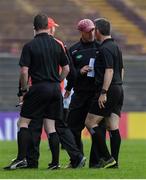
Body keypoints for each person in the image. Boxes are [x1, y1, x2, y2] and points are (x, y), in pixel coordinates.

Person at [10, 16, 86, 170]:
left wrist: (23, 90)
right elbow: (67, 69)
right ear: (48, 27)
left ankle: (22, 159)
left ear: (34, 28)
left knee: (24, 123)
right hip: (55, 89)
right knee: (51, 126)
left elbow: (24, 71)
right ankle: (55, 163)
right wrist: (58, 81)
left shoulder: (30, 46)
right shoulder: (57, 45)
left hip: (38, 88)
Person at [65, 19, 106, 167]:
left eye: (93, 30)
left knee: (97, 128)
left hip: (95, 94)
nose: (91, 33)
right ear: (81, 32)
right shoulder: (74, 50)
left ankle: (96, 162)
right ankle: (77, 159)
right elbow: (69, 73)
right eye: (88, 31)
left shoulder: (101, 47)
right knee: (72, 128)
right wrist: (79, 72)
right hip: (80, 94)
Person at [85, 18, 124, 168]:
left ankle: (108, 158)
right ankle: (114, 162)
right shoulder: (116, 47)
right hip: (118, 87)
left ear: (99, 31)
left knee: (90, 122)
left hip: (109, 89)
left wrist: (104, 92)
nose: (93, 32)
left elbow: (109, 70)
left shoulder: (105, 48)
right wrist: (117, 85)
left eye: (94, 29)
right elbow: (121, 70)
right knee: (112, 125)